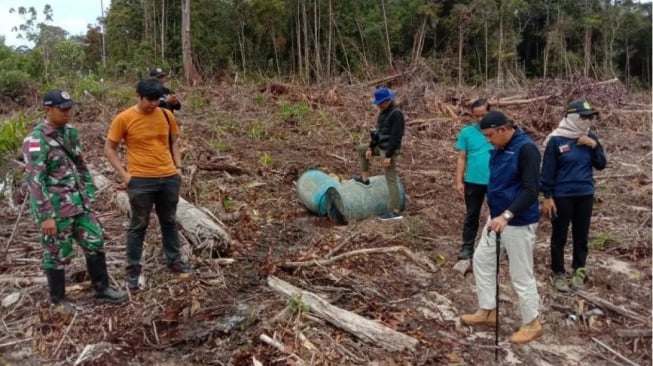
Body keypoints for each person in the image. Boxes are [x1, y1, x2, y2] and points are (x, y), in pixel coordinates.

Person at [22, 89, 127, 312]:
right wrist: (45, 216)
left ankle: (102, 289)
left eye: (70, 108)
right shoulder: (35, 139)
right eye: (63, 109)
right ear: (48, 109)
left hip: (79, 202)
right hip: (56, 208)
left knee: (95, 242)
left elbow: (80, 164)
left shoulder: (70, 132)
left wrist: (88, 191)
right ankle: (58, 301)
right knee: (57, 253)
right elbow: (35, 180)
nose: (68, 113)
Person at [460, 111, 543, 344]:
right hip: (496, 218)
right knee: (482, 260)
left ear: (503, 129)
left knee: (521, 274)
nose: (488, 140)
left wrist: (507, 215)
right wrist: (495, 214)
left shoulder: (526, 149)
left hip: (517, 221)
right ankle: (488, 310)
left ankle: (533, 323)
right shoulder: (499, 148)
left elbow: (530, 190)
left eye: (490, 135)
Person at [104, 78, 192, 290]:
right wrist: (125, 176)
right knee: (138, 225)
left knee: (169, 221)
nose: (153, 104)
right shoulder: (124, 118)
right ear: (138, 96)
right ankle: (133, 269)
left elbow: (174, 141)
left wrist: (178, 168)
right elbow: (109, 148)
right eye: (149, 100)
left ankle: (175, 262)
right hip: (141, 180)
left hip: (168, 177)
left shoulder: (166, 114)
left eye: (156, 99)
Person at [540, 100, 607, 292]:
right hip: (562, 196)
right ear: (572, 117)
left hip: (585, 194)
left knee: (581, 235)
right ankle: (558, 272)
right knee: (559, 236)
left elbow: (601, 165)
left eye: (590, 117)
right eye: (584, 116)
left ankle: (579, 269)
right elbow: (547, 171)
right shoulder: (557, 140)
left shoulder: (589, 138)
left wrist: (595, 146)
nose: (587, 121)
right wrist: (547, 196)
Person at [353, 87, 406, 221]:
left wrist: (388, 155)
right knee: (362, 149)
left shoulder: (396, 114)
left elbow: (396, 136)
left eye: (380, 103)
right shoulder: (383, 113)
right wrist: (371, 147)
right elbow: (378, 133)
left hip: (390, 149)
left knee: (390, 178)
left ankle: (395, 211)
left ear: (387, 101)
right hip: (380, 145)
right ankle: (365, 180)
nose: (378, 105)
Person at [454, 99, 492, 260]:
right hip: (473, 180)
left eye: (483, 115)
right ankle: (467, 247)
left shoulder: (499, 130)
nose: (480, 119)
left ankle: (497, 246)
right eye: (476, 116)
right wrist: (458, 181)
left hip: (496, 180)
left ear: (489, 112)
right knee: (472, 214)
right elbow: (462, 157)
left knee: (498, 213)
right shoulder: (467, 132)